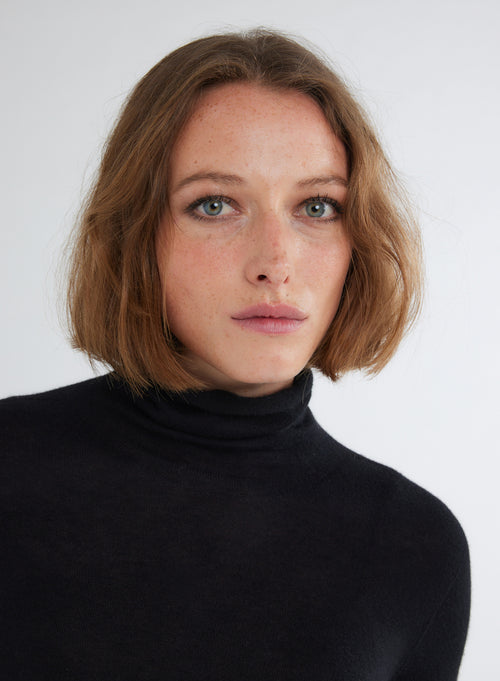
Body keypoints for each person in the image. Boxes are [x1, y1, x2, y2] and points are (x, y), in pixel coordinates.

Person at [0, 29, 470, 680]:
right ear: (135, 233)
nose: (275, 261)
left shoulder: (413, 546)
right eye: (215, 205)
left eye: (316, 206)